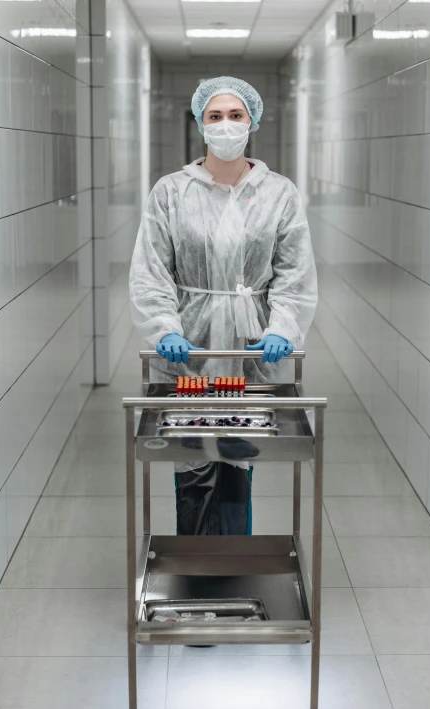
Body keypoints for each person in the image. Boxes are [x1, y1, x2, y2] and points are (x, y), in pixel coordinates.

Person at [129, 76, 318, 536]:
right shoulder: (171, 191)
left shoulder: (280, 193)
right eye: (215, 116)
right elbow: (152, 269)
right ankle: (195, 559)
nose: (226, 125)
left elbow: (294, 272)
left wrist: (283, 328)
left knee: (239, 451)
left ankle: (232, 555)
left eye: (236, 115)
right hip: (188, 347)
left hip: (251, 348)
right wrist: (163, 329)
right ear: (200, 123)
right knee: (191, 453)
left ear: (252, 121)